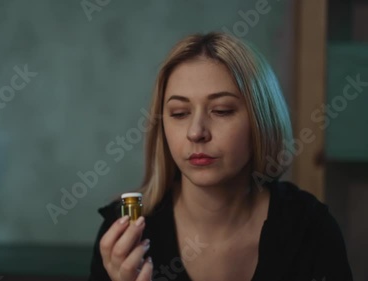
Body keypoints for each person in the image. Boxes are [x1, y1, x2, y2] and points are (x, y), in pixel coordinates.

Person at [88, 32, 353, 281]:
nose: (196, 132)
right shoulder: (124, 236)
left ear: (261, 120)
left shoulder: (309, 230)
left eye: (222, 110)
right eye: (179, 113)